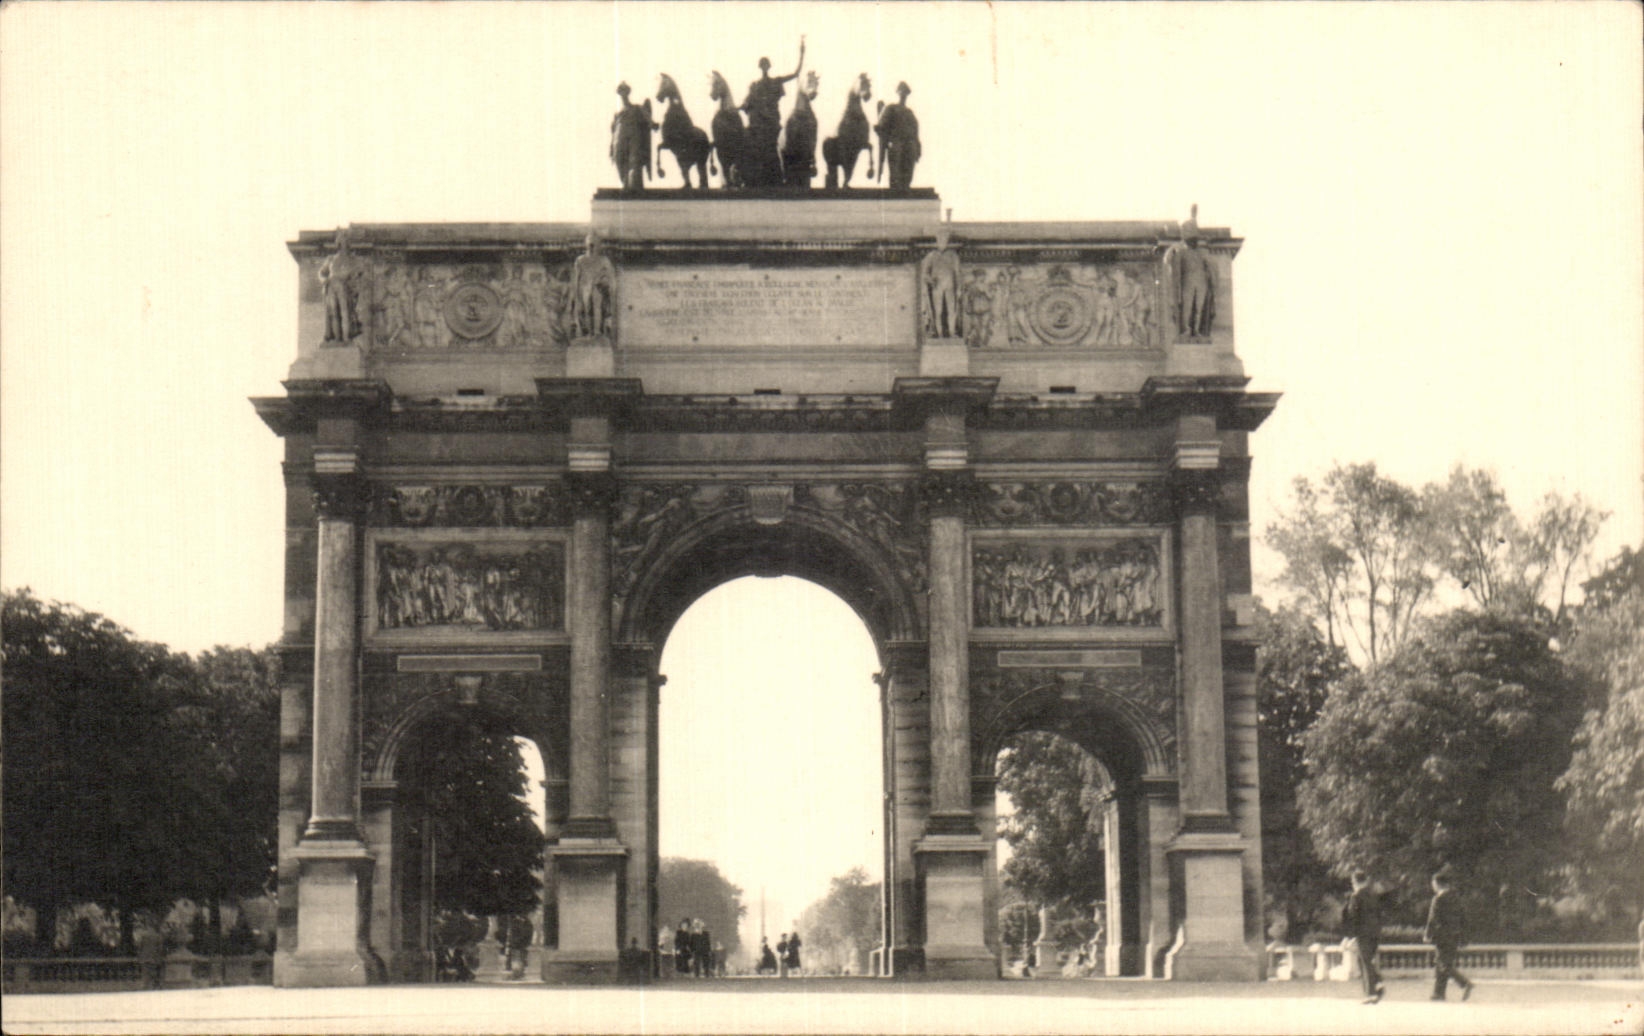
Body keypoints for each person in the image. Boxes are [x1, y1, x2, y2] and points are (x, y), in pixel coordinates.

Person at [742, 37, 805, 187]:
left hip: (771, 124)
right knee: (744, 144)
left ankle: (783, 173)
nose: (764, 67)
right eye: (762, 65)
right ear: (760, 67)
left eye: (766, 65)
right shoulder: (754, 85)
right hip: (756, 126)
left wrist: (802, 54)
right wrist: (739, 107)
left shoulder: (776, 82)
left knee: (778, 147)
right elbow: (747, 102)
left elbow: (795, 74)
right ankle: (742, 172)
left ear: (768, 67)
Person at [1424, 870, 1474, 1001]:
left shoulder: (1438, 899)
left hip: (1442, 936)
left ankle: (1464, 983)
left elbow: (1433, 919)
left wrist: (1427, 935)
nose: (1432, 886)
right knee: (1443, 963)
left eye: (1433, 884)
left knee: (1443, 964)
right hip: (1454, 935)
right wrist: (1464, 937)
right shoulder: (1456, 898)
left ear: (1438, 884)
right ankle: (1438, 993)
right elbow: (1464, 918)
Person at [1341, 869, 1385, 1004]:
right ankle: (1377, 983)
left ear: (1354, 882)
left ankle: (1371, 992)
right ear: (1365, 880)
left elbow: (1353, 917)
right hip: (1375, 933)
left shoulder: (1356, 897)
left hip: (1362, 933)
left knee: (1365, 962)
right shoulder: (1374, 895)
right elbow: (1379, 915)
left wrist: (1350, 936)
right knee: (1366, 960)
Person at [874, 82, 921, 190]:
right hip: (896, 142)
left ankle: (905, 187)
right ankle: (895, 188)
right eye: (901, 93)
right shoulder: (891, 108)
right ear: (898, 94)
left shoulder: (910, 113)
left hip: (909, 143)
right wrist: (885, 136)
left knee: (910, 160)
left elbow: (915, 132)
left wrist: (918, 147)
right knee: (896, 159)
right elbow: (882, 126)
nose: (903, 96)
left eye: (905, 93)